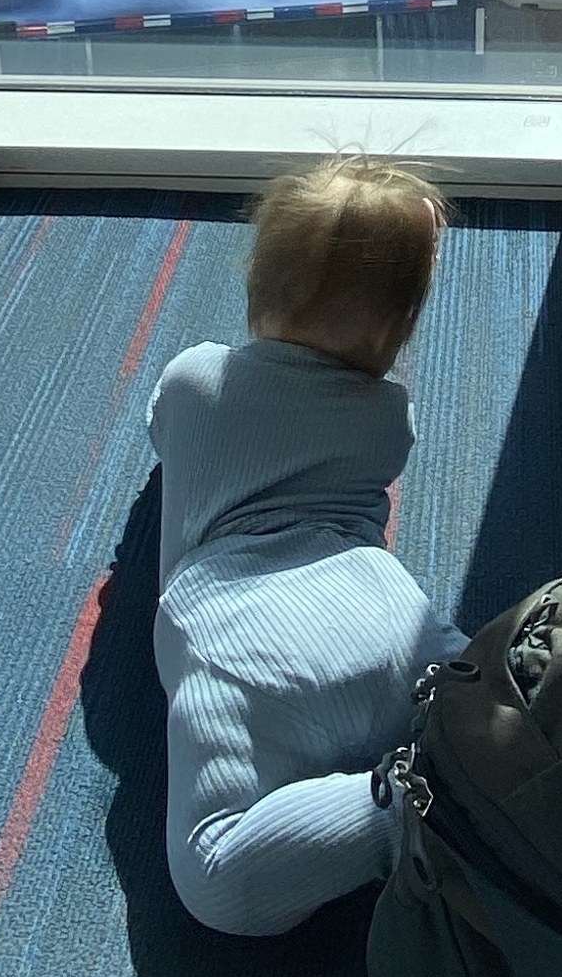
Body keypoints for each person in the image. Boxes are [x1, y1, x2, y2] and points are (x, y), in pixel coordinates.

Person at [148, 156, 456, 936]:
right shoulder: (389, 417)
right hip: (390, 624)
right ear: (396, 336)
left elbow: (162, 431)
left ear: (256, 286)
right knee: (469, 677)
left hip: (243, 655)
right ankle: (486, 735)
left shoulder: (192, 381)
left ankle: (402, 806)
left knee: (215, 875)